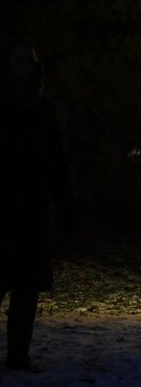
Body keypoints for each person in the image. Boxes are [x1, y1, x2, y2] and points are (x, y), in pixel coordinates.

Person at [0, 36, 75, 371]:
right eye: (16, 60)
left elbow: (55, 161)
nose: (22, 67)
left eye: (27, 60)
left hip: (31, 209)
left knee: (26, 289)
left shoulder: (42, 109)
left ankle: (18, 352)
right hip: (3, 208)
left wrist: (65, 206)